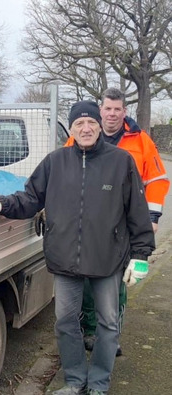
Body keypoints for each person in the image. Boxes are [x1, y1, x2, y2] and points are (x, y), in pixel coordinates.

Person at [0, 100, 155, 395]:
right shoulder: (55, 162)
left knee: (108, 324)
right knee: (65, 322)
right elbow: (31, 197)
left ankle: (98, 384)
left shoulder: (121, 162)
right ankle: (74, 381)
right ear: (71, 130)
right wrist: (2, 203)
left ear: (99, 125)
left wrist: (140, 255)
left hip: (107, 258)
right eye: (79, 124)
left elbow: (137, 210)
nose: (86, 129)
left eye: (91, 123)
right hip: (64, 258)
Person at [64, 88, 169, 355]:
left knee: (116, 283)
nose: (111, 114)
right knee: (86, 281)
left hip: (123, 224)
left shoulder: (140, 141)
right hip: (87, 224)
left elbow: (157, 180)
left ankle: (110, 335)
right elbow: (65, 171)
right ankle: (89, 332)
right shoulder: (82, 135)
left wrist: (152, 217)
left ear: (124, 111)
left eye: (117, 109)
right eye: (107, 108)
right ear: (101, 110)